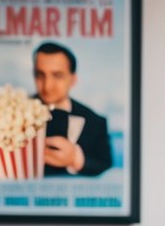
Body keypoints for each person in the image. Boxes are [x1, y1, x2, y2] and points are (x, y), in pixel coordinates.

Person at [32, 41, 112, 177]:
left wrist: (76, 158)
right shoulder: (12, 115)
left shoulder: (95, 122)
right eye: (40, 75)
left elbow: (104, 163)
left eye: (57, 75)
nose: (47, 86)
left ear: (73, 79)